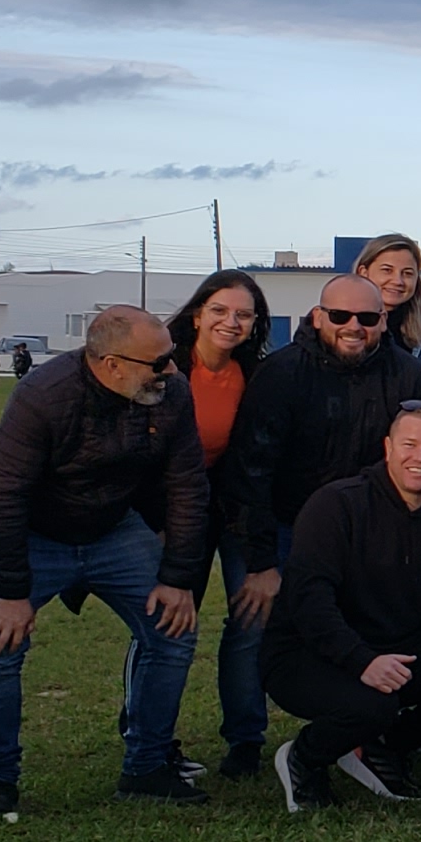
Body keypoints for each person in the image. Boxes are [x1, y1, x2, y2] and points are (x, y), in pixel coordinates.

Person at [0, 306, 208, 813]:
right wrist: (13, 592)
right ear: (110, 364)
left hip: (114, 528)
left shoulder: (170, 394)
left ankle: (147, 766)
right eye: (158, 362)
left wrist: (178, 577)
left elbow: (187, 486)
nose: (171, 370)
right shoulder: (43, 395)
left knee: (174, 630)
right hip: (36, 533)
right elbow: (2, 495)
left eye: (172, 357)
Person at [265, 404, 421, 811]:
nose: (420, 458)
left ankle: (379, 750)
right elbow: (309, 601)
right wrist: (361, 660)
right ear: (387, 447)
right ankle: (304, 757)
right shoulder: (337, 505)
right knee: (372, 703)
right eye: (409, 445)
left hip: (393, 647)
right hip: (306, 652)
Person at [231, 278, 421, 725]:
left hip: (368, 532)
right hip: (284, 526)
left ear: (383, 321)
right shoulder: (281, 374)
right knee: (254, 628)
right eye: (340, 316)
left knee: (368, 628)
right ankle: (244, 741)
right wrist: (260, 561)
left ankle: (362, 731)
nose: (353, 327)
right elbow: (251, 470)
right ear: (318, 316)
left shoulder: (407, 374)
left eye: (366, 318)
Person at [164, 269, 273, 778]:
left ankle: (245, 741)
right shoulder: (165, 368)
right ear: (197, 314)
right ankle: (151, 739)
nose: (232, 322)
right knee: (166, 623)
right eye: (220, 311)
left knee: (251, 619)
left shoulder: (253, 374)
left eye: (244, 315)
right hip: (168, 512)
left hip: (230, 512)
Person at [354, 232, 421, 380]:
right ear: (363, 273)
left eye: (407, 273)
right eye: (387, 270)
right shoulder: (341, 332)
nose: (398, 281)